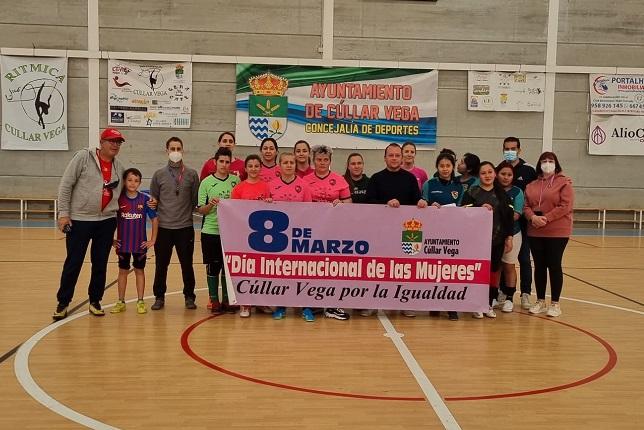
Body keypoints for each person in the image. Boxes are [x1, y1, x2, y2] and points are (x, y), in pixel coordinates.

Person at [53, 128, 126, 320]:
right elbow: (66, 185)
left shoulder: (120, 167)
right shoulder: (83, 158)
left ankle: (95, 300)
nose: (115, 145)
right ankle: (63, 302)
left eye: (118, 142)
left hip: (106, 222)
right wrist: (63, 214)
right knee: (73, 262)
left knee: (100, 264)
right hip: (80, 220)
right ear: (101, 142)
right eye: (111, 141)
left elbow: (126, 195)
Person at [365, 143, 427, 317]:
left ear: (402, 158)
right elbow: (368, 202)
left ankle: (404, 302)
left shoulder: (409, 179)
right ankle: (373, 302)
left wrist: (421, 203)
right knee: (377, 268)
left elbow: (417, 200)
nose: (394, 158)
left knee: (404, 268)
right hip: (380, 232)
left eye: (397, 155)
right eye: (390, 155)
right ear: (384, 158)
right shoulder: (376, 178)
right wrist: (386, 204)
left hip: (405, 232)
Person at [150, 137, 200, 311]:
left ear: (183, 150)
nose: (176, 151)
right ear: (167, 151)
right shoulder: (158, 175)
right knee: (161, 265)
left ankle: (189, 296)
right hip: (163, 228)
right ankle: (159, 296)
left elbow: (194, 201)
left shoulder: (192, 174)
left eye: (178, 148)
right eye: (172, 148)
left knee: (187, 264)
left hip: (185, 228)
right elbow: (154, 200)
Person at [304, 145, 352, 321]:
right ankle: (312, 303)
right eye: (319, 159)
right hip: (312, 231)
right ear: (313, 161)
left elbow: (350, 205)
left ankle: (332, 305)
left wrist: (341, 204)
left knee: (333, 267)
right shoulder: (305, 180)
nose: (322, 163)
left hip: (334, 232)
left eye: (325, 160)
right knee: (313, 267)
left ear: (330, 161)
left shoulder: (339, 180)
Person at [523, 152, 574, 317]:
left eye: (550, 161)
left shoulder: (564, 182)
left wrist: (546, 218)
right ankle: (540, 301)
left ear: (556, 164)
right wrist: (532, 217)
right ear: (539, 164)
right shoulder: (531, 185)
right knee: (539, 266)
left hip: (557, 231)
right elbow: (526, 206)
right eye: (544, 161)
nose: (547, 163)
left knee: (554, 264)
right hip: (535, 231)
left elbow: (565, 205)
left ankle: (555, 303)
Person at [461, 161, 514, 319]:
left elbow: (509, 219)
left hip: (497, 239)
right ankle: (476, 303)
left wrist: (509, 237)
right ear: (479, 176)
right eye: (483, 173)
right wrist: (478, 207)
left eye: (490, 172)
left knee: (494, 271)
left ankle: (489, 303)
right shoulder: (472, 192)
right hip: (476, 240)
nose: (487, 175)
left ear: (495, 174)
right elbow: (463, 211)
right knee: (478, 271)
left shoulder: (502, 194)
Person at [269, 153, 315, 322]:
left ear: (296, 165)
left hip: (298, 235)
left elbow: (310, 211)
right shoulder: (271, 186)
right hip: (279, 237)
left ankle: (306, 306)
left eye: (292, 162)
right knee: (282, 271)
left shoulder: (304, 185)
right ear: (279, 166)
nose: (289, 165)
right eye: (285, 162)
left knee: (301, 271)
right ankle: (281, 306)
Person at [420, 152, 463, 321]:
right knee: (433, 268)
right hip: (431, 233)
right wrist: (429, 205)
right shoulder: (429, 184)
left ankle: (451, 306)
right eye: (442, 166)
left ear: (453, 168)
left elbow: (462, 209)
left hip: (452, 234)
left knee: (450, 269)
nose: (445, 169)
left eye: (448, 166)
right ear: (437, 167)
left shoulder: (459, 187)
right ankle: (435, 303)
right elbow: (422, 203)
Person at [198, 147, 240, 314]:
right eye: (221, 161)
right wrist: (211, 204)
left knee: (227, 267)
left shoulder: (235, 182)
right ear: (215, 162)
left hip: (230, 232)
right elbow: (200, 210)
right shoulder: (206, 182)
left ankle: (227, 300)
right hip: (211, 230)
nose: (224, 165)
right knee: (213, 266)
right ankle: (214, 300)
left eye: (227, 162)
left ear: (231, 163)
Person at [110, 168, 159, 315]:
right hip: (123, 244)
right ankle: (121, 301)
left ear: (140, 183)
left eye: (136, 181)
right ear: (124, 181)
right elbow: (109, 219)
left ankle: (140, 301)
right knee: (122, 272)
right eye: (130, 180)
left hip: (140, 244)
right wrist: (111, 239)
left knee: (139, 271)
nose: (133, 183)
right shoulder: (118, 200)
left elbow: (155, 219)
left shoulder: (145, 200)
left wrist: (152, 240)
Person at [231, 154, 271, 317]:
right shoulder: (239, 188)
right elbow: (233, 210)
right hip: (245, 235)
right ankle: (245, 304)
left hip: (263, 236)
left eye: (256, 166)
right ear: (245, 169)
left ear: (260, 168)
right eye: (250, 166)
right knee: (246, 269)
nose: (254, 169)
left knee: (262, 269)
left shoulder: (266, 186)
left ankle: (261, 303)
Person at [502, 136, 537, 310]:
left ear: (519, 150)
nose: (510, 151)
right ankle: (504, 291)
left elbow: (541, 185)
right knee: (504, 260)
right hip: (504, 225)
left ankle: (525, 293)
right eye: (507, 148)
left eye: (513, 148)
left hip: (523, 223)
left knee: (524, 258)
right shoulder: (499, 169)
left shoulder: (529, 170)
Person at [494, 162, 525, 313]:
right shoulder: (491, 189)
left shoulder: (517, 192)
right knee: (495, 266)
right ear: (496, 174)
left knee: (509, 265)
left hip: (512, 233)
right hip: (493, 234)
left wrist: (498, 217)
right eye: (503, 174)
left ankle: (509, 298)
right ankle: (494, 296)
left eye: (509, 175)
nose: (506, 177)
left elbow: (516, 215)